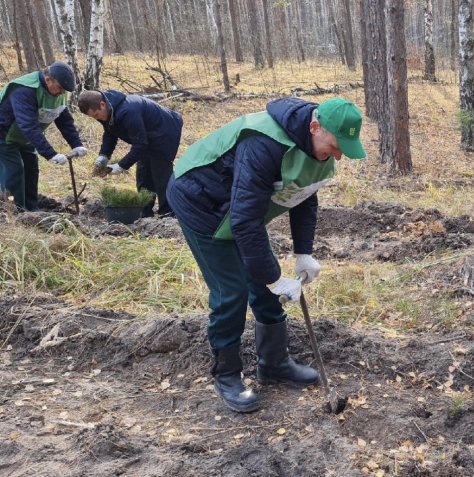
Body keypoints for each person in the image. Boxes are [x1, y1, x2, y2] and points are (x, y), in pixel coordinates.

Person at [166, 97, 366, 413]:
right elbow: (245, 220)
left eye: (343, 149)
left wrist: (303, 252)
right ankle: (227, 374)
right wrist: (274, 278)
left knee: (262, 278)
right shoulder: (264, 143)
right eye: (335, 146)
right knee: (232, 290)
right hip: (200, 200)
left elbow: (304, 195)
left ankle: (273, 363)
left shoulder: (314, 143)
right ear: (315, 127)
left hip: (240, 207)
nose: (339, 156)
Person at [78, 89, 183, 217]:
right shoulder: (108, 110)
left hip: (165, 131)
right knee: (143, 174)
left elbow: (140, 145)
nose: (96, 119)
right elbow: (110, 134)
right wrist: (103, 156)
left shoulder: (127, 111)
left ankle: (168, 213)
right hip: (146, 136)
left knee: (160, 174)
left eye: (95, 115)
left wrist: (121, 165)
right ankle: (145, 211)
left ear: (102, 105)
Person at [0, 61, 87, 211]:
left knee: (31, 168)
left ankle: (31, 208)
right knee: (14, 169)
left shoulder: (58, 92)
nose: (62, 93)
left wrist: (76, 143)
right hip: (4, 133)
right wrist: (50, 153)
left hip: (24, 137)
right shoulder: (24, 90)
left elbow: (64, 120)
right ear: (48, 79)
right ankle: (13, 211)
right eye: (60, 88)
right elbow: (28, 125)